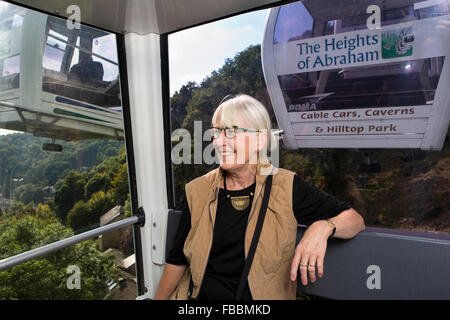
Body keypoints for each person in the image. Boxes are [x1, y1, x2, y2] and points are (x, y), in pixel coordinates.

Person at [155, 94, 365, 300]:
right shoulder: (196, 191)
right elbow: (177, 260)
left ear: (259, 140)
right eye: (215, 133)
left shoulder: (287, 187)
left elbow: (355, 220)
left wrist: (322, 228)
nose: (218, 142)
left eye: (230, 132)